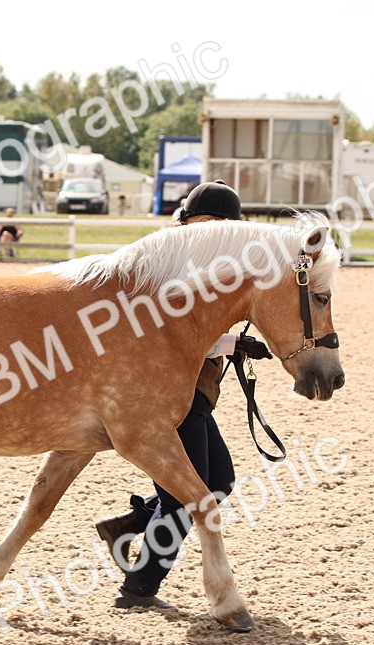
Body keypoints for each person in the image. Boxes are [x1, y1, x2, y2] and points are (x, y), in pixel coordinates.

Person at [94, 180, 251, 610]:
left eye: (220, 226)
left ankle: (130, 522)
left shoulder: (216, 267)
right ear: (188, 222)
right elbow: (175, 334)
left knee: (219, 480)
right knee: (187, 498)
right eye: (204, 223)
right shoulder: (168, 265)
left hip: (195, 393)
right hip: (167, 396)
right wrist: (233, 344)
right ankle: (138, 589)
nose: (210, 233)